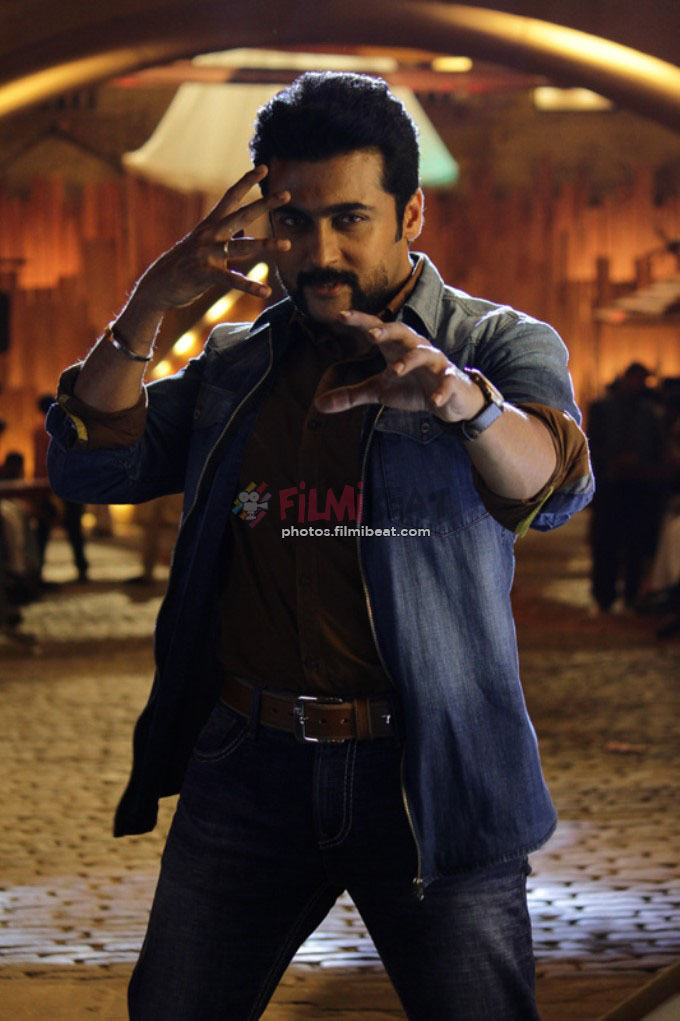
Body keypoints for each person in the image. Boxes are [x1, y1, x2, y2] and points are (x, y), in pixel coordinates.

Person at [47, 72, 593, 1020]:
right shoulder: (238, 362)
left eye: (350, 220)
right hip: (246, 765)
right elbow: (92, 462)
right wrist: (150, 301)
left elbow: (556, 482)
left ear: (410, 213)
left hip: (432, 770)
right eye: (294, 222)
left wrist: (464, 402)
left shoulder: (495, 341)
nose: (319, 251)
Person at [587, 363, 663, 613]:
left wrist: (643, 465)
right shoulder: (602, 408)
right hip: (610, 485)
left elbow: (656, 448)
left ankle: (631, 594)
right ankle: (604, 595)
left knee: (634, 544)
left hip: (638, 486)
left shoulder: (649, 412)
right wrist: (611, 461)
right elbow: (591, 445)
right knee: (606, 543)